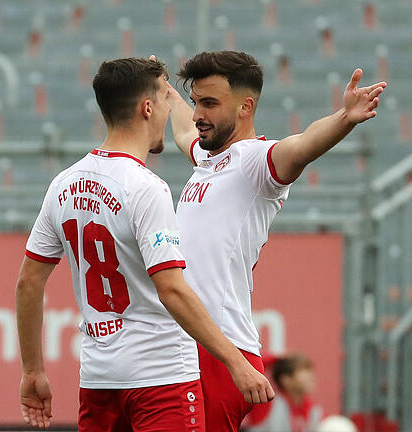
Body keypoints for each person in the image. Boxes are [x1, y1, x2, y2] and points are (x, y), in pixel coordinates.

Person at [15, 57, 274, 431]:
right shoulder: (145, 188)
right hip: (160, 376)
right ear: (147, 108)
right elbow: (171, 290)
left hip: (99, 377)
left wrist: (33, 371)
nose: (173, 111)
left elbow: (28, 282)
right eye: (167, 102)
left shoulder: (64, 184)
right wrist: (237, 363)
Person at [165, 50, 386, 431]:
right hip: (188, 340)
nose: (199, 113)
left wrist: (344, 118)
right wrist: (166, 93)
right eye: (196, 101)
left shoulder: (255, 161)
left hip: (220, 349)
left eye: (210, 103)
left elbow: (300, 146)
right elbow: (185, 130)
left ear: (245, 107)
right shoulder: (207, 158)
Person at [244, 353, 323, 432]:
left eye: (310, 371)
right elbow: (248, 370)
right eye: (304, 370)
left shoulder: (312, 409)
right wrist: (276, 358)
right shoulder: (266, 401)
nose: (311, 377)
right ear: (286, 380)